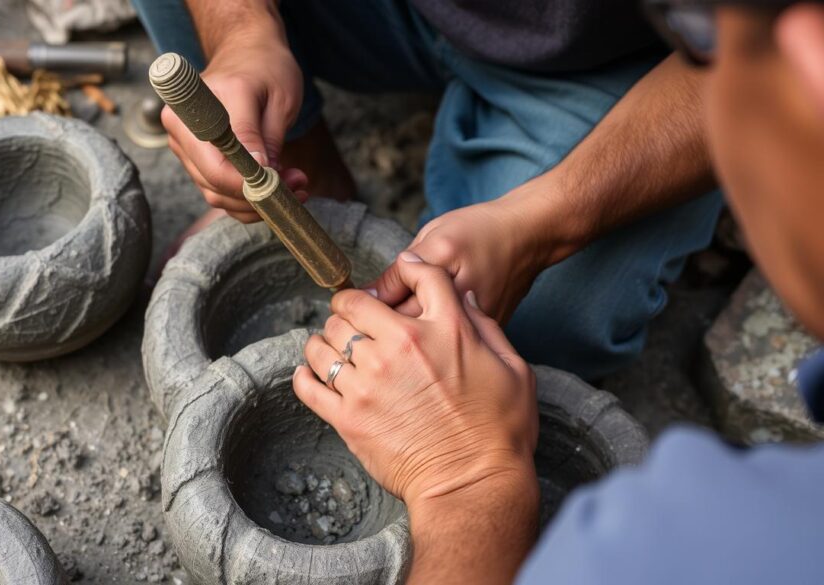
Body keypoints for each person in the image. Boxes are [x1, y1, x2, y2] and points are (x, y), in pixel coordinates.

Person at [294, 0, 824, 583]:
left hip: (597, 68)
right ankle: (312, 171)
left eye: (701, 33)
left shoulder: (679, 543)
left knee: (550, 316)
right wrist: (244, 30)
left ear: (810, 65)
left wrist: (468, 481)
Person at [131, 0, 723, 381]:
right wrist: (242, 31)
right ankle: (310, 169)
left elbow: (778, 63)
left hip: (626, 60)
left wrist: (541, 226)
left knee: (516, 333)